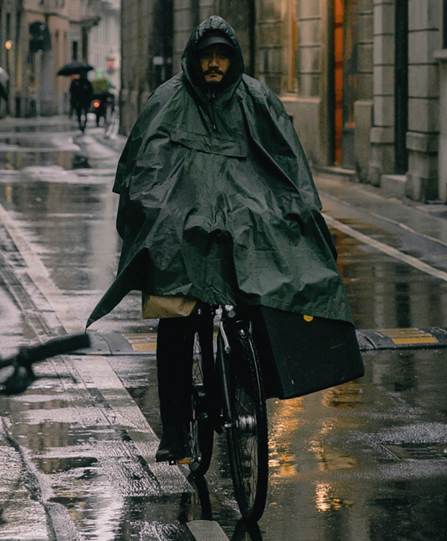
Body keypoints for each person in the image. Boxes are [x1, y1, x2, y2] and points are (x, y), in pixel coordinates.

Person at [86, 16, 353, 462]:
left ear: (233, 59)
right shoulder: (168, 101)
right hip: (186, 232)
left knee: (268, 296)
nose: (214, 64)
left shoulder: (256, 98)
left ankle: (252, 385)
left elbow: (287, 164)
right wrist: (163, 216)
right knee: (176, 317)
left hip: (243, 226)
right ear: (195, 57)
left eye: (222, 56)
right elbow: (144, 172)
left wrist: (296, 210)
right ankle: (174, 428)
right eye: (207, 55)